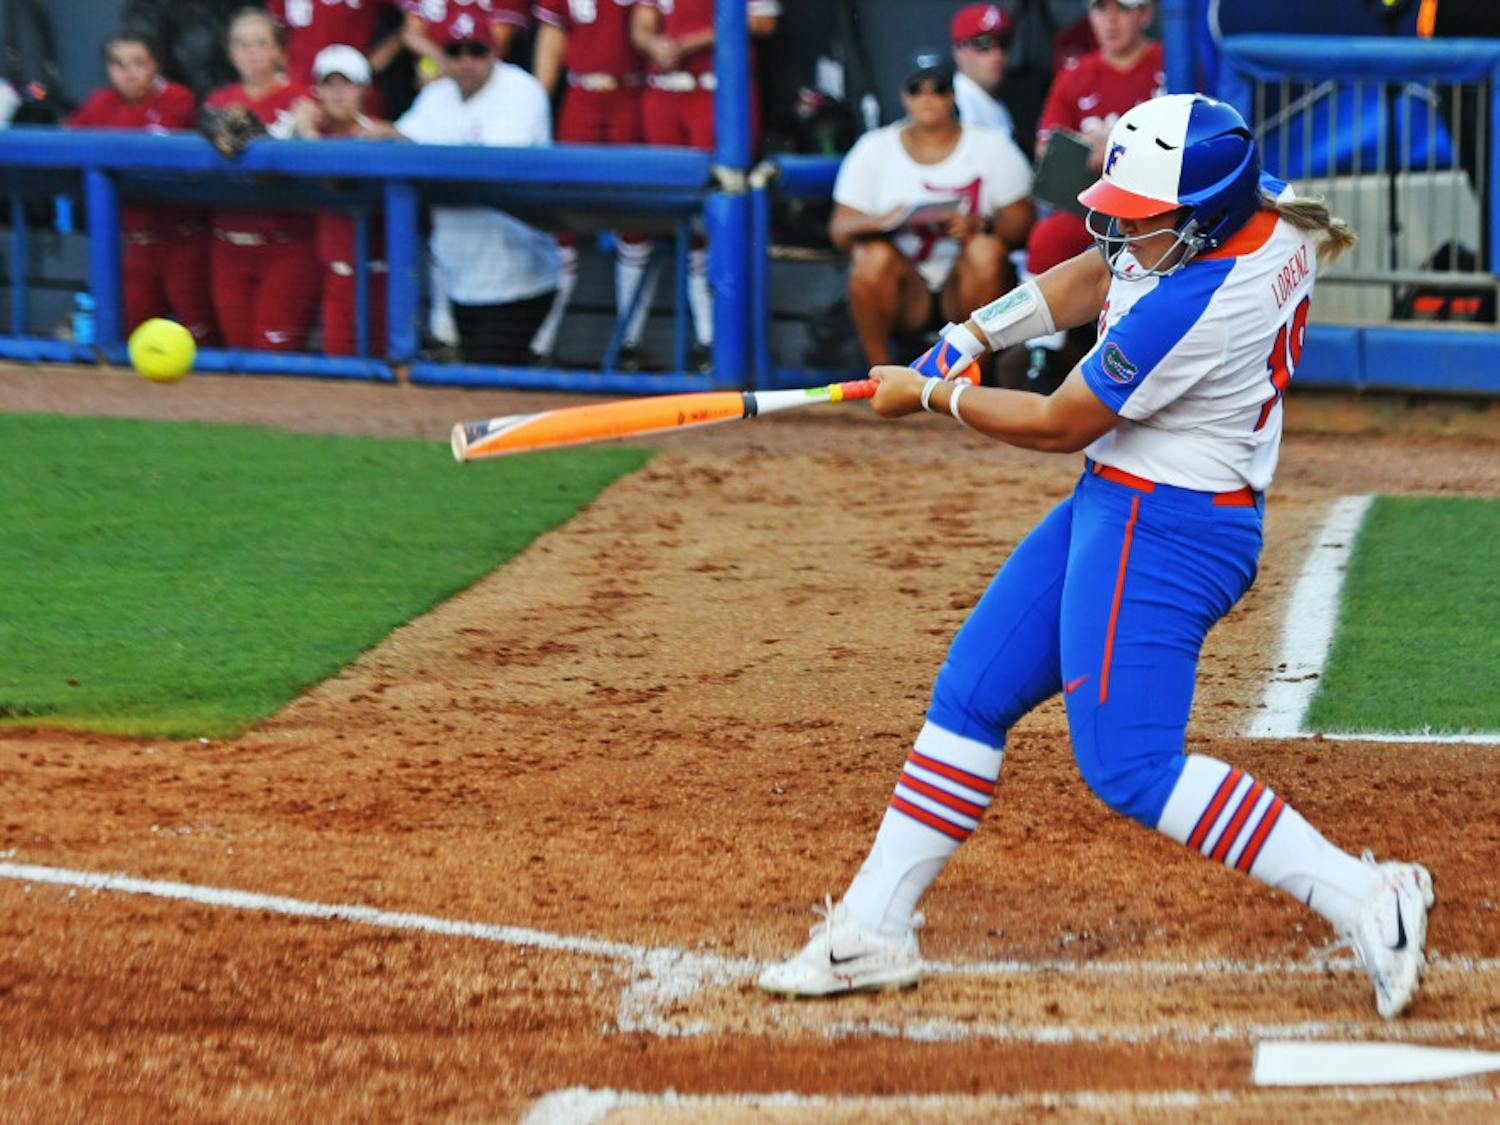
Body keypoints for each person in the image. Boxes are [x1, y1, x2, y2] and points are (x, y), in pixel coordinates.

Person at [758, 94, 1436, 1024]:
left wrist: (931, 397)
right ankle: (874, 926)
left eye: (1140, 215)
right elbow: (1098, 265)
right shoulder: (1247, 206)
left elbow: (1058, 420)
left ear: (1197, 222)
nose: (1119, 226)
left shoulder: (1199, 304)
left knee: (1129, 764)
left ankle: (1368, 895)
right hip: (1124, 502)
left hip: (1166, 528)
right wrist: (976, 334)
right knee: (974, 691)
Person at [829, 50, 1033, 370]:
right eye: (916, 89)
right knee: (870, 256)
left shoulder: (992, 145)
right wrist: (884, 222)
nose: (927, 98)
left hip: (965, 288)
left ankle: (974, 373)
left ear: (952, 94)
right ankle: (879, 374)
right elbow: (840, 231)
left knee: (985, 250)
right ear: (903, 96)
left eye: (937, 89)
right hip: (906, 289)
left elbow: (1024, 226)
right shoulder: (874, 148)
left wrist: (980, 226)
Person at [394, 12, 559, 366]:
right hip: (460, 278)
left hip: (518, 278)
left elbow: (491, 167)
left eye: (477, 51)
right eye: (456, 52)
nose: (466, 61)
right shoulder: (437, 96)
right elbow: (400, 140)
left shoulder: (521, 90)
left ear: (494, 52)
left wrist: (424, 153)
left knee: (495, 388)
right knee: (477, 387)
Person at [1013, 0, 1163, 388]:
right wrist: (1081, 145)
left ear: (1144, 14)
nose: (1110, 21)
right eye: (1101, 10)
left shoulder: (1170, 62)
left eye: (1122, 10)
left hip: (1161, 209)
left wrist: (1117, 143)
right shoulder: (1077, 73)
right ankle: (1041, 355)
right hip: (1095, 206)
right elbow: (1047, 146)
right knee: (1048, 236)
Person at [631, 0, 781, 372]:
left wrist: (690, 42)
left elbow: (763, 23)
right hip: (666, 90)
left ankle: (718, 342)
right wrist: (656, 45)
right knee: (663, 214)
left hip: (718, 92)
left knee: (724, 210)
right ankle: (675, 339)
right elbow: (641, 23)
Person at [65, 28, 218, 347]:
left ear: (155, 65)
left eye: (138, 63)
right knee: (132, 338)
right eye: (119, 64)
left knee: (201, 337)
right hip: (136, 244)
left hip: (183, 239)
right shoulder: (101, 102)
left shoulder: (178, 97)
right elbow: (64, 141)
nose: (129, 73)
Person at [527, 0, 654, 369]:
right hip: (580, 94)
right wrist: (537, 103)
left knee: (635, 219)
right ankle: (544, 340)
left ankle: (630, 341)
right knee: (562, 219)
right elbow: (552, 37)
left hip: (631, 93)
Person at [203, 8, 323, 352]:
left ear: (279, 51)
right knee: (238, 356)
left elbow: (321, 170)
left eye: (260, 43)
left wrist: (305, 130)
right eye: (242, 44)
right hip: (228, 241)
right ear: (231, 52)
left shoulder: (301, 99)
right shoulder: (218, 102)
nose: (252, 53)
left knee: (274, 357)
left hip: (286, 243)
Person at [291, 45, 401, 357]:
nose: (338, 93)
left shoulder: (378, 133)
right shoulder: (304, 128)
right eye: (329, 84)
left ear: (364, 90)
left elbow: (335, 180)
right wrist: (299, 128)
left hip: (380, 277)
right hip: (333, 276)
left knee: (384, 370)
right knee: (337, 371)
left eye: (347, 84)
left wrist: (307, 134)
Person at [266, 0, 405, 91]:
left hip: (350, 89)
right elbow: (273, 30)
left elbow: (415, 14)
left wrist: (374, 63)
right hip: (298, 89)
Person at [949, 2, 1016, 138]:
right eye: (983, 43)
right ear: (958, 50)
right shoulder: (951, 107)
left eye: (1003, 42)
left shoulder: (996, 101)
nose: (996, 54)